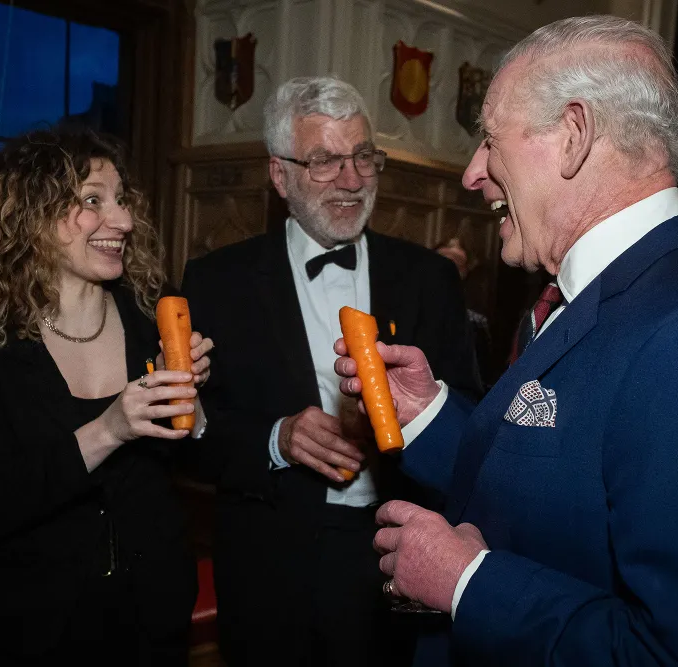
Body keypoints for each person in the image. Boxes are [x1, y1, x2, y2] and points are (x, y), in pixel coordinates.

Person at [335, 16, 678, 666]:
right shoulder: (607, 289)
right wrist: (428, 417)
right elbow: (558, 485)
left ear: (573, 137)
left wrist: (469, 582)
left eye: (490, 140)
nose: (473, 173)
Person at [181, 76, 480, 667]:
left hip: (396, 553)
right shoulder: (217, 282)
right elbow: (189, 439)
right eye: (324, 161)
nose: (351, 180)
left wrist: (415, 421)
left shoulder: (429, 279)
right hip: (270, 565)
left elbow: (474, 414)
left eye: (363, 156)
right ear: (279, 175)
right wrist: (277, 439)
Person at [0, 127, 213, 666]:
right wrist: (109, 430)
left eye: (121, 200)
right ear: (31, 216)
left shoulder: (150, 314)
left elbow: (199, 460)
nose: (124, 220)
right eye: (92, 201)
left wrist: (192, 407)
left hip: (149, 624)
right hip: (26, 627)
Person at [435, 238, 493, 389]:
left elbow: (481, 376)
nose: (447, 270)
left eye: (456, 264)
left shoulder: (476, 322)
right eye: (441, 261)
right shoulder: (408, 308)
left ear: (465, 272)